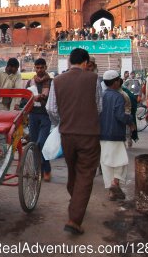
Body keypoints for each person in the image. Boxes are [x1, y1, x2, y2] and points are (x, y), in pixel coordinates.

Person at [46, 47, 102, 235]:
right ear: (86, 63)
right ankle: (75, 219)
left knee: (73, 171)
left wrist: (61, 123)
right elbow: (99, 107)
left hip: (67, 134)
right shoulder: (93, 79)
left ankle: (76, 202)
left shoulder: (57, 81)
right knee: (85, 174)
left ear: (70, 62)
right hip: (88, 134)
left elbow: (51, 109)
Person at [100, 70, 132, 201]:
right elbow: (120, 115)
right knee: (121, 161)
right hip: (115, 133)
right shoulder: (118, 96)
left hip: (102, 133)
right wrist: (130, 121)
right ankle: (115, 183)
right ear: (115, 82)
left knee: (106, 162)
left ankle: (111, 191)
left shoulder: (101, 95)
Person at [25, 58, 52, 182]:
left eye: (42, 67)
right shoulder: (30, 82)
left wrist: (42, 98)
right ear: (34, 68)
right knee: (34, 144)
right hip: (33, 115)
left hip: (46, 116)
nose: (39, 70)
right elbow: (24, 99)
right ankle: (38, 170)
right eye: (37, 67)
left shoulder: (52, 82)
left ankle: (46, 170)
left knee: (42, 143)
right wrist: (33, 98)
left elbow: (54, 100)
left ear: (46, 67)